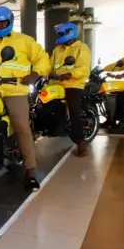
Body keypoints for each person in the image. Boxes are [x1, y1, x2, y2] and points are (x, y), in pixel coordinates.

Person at [0, 6, 50, 191]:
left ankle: (30, 172)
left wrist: (36, 74)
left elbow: (42, 58)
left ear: (9, 22)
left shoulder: (24, 41)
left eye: (2, 22)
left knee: (22, 127)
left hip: (15, 91)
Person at [49, 23, 92, 157]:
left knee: (73, 107)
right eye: (59, 34)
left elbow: (84, 68)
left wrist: (69, 74)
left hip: (73, 84)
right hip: (55, 84)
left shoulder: (82, 48)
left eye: (61, 34)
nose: (59, 36)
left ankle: (81, 142)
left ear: (70, 33)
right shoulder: (57, 49)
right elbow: (49, 66)